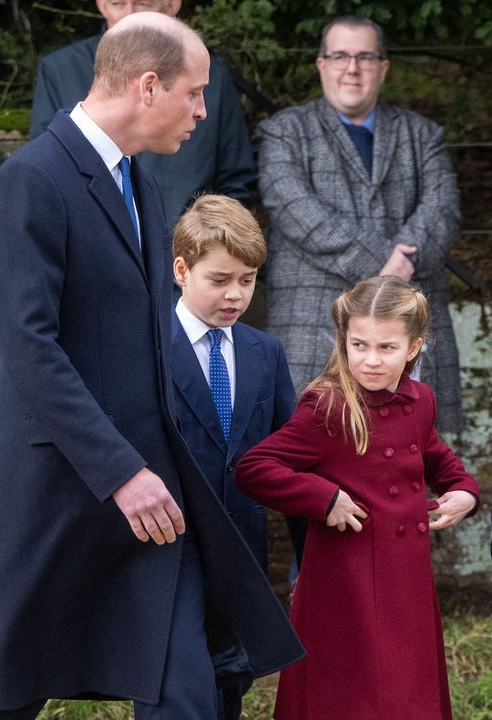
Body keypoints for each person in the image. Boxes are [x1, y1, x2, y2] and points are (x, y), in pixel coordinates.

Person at [0, 13, 302, 719]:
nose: (204, 110)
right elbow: (31, 350)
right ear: (148, 86)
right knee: (0, 703)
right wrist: (119, 472)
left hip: (149, 498)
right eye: (195, 93)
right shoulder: (32, 181)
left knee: (185, 689)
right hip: (53, 492)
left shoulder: (138, 181)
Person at [235, 274, 480, 720]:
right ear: (343, 342)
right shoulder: (328, 406)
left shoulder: (420, 399)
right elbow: (255, 467)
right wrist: (323, 498)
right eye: (359, 345)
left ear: (413, 348)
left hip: (406, 580)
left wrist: (464, 491)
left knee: (409, 693)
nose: (370, 360)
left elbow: (438, 457)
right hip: (345, 584)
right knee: (358, 698)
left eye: (386, 348)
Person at [257, 16, 464, 435]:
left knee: (412, 462)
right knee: (315, 469)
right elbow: (297, 211)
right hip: (314, 325)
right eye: (340, 56)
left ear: (383, 67)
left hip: (409, 330)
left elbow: (442, 211)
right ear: (321, 65)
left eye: (365, 57)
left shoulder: (423, 135)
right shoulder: (284, 133)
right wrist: (388, 264)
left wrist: (401, 262)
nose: (352, 68)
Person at [167, 194, 297, 720]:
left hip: (242, 553)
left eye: (247, 280)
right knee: (179, 689)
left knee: (229, 688)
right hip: (168, 550)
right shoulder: (145, 347)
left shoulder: (265, 353)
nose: (236, 295)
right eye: (219, 280)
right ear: (182, 269)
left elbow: (291, 461)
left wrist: (306, 560)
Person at [29, 0, 255, 230]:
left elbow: (236, 181)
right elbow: (48, 168)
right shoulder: (61, 70)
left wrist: (207, 247)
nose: (127, 16)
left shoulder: (209, 73)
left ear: (172, 5)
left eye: (142, 4)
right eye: (118, 4)